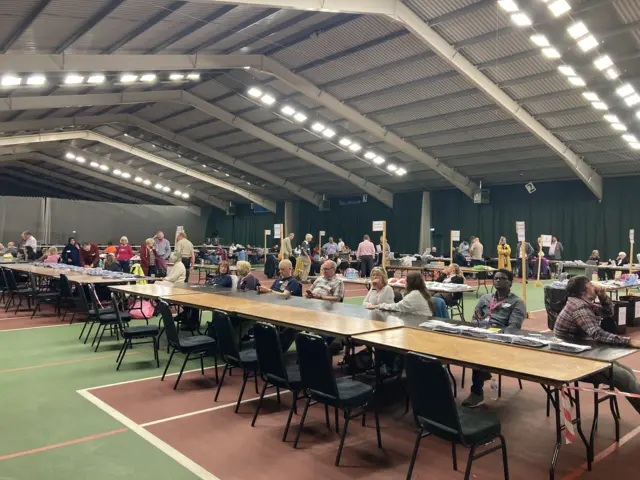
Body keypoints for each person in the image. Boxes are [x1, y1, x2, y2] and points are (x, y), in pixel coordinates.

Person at [554, 276, 640, 413]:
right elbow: (598, 334)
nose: (595, 285)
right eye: (591, 284)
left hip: (583, 352)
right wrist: (628, 341)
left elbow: (608, 313)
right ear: (584, 290)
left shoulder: (581, 302)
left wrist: (603, 297)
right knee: (625, 378)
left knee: (628, 373)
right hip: (573, 360)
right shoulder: (578, 306)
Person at [462, 269, 527, 408]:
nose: (497, 280)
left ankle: (477, 393)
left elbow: (513, 328)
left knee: (479, 353)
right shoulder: (485, 298)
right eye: (495, 278)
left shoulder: (517, 302)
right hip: (481, 334)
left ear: (510, 282)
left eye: (501, 278)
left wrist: (493, 332)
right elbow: (475, 317)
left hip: (500, 340)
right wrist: (479, 325)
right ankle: (483, 370)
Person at [367, 272, 434, 315]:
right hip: (420, 320)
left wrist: (377, 306)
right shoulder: (421, 292)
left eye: (406, 281)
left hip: (419, 324)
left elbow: (396, 307)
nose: (405, 284)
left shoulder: (415, 295)